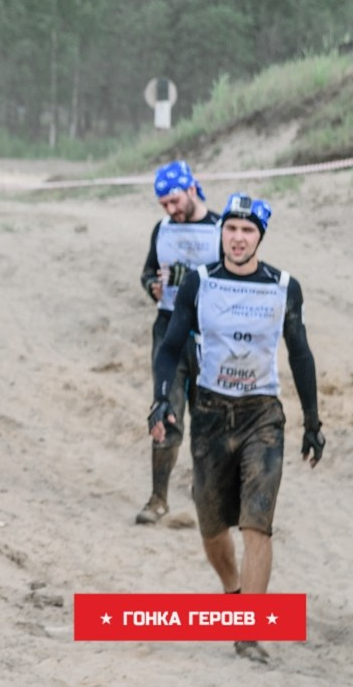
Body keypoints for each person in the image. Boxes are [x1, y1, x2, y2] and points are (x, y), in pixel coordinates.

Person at [149, 193, 325, 664]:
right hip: (208, 412)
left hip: (261, 415)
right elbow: (168, 347)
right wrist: (161, 399)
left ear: (260, 237)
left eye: (248, 231)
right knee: (211, 526)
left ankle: (248, 629)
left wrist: (312, 421)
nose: (238, 238)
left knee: (257, 522)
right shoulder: (200, 283)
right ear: (221, 232)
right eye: (231, 229)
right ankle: (233, 592)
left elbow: (301, 354)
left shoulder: (285, 286)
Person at [135, 160, 220, 524]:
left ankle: (211, 499)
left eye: (174, 201)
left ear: (190, 190)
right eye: (163, 204)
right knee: (164, 412)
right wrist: (151, 285)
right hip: (169, 331)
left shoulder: (222, 229)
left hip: (211, 337)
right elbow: (148, 271)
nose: (170, 210)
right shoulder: (163, 229)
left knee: (211, 419)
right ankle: (158, 499)